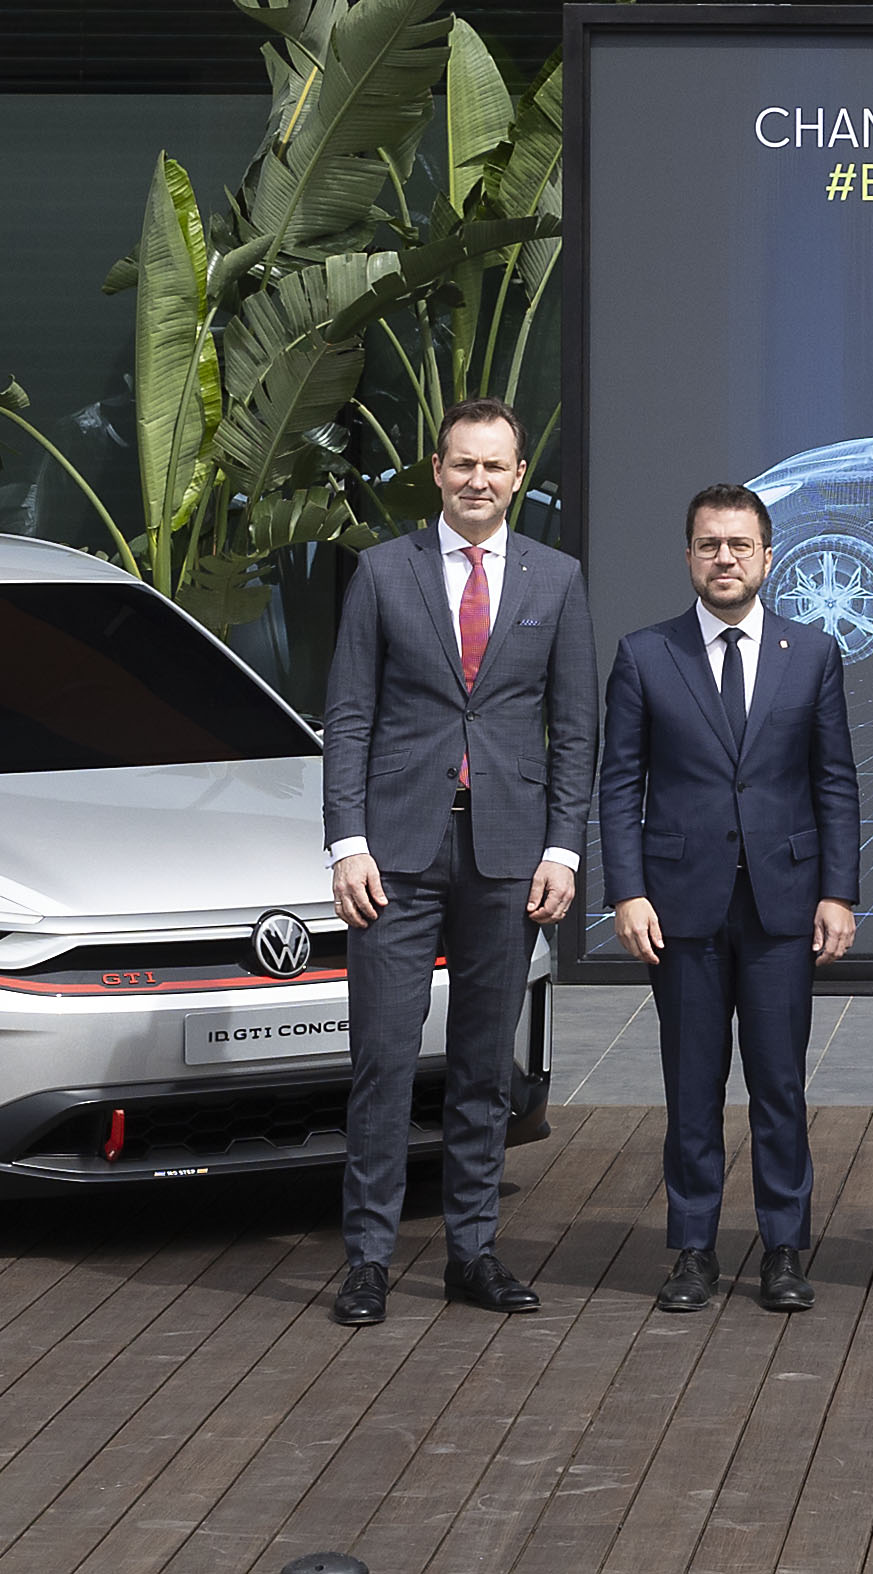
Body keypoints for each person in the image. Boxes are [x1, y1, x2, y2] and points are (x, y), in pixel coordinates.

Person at [319, 398, 597, 1326]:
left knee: (483, 1064)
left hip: (510, 856)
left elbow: (574, 730)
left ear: (519, 477)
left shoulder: (556, 580)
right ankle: (366, 1258)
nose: (478, 480)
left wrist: (563, 848)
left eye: (496, 466)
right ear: (436, 471)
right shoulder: (381, 573)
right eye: (462, 464)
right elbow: (349, 716)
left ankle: (471, 1251)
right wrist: (346, 842)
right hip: (394, 855)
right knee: (384, 1062)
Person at [602, 484, 861, 1316]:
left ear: (767, 557)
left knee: (780, 1085)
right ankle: (692, 1250)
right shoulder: (646, 655)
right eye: (710, 545)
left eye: (740, 545)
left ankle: (785, 1248)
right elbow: (618, 787)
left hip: (785, 904)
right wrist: (627, 892)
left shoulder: (811, 653)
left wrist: (839, 893)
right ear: (687, 557)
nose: (725, 559)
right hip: (679, 907)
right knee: (693, 1086)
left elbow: (836, 784)